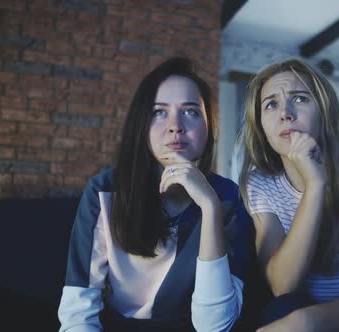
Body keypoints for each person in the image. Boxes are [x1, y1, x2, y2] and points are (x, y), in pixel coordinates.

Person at [58, 57, 253, 332]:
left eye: (191, 112)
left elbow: (215, 325)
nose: (176, 126)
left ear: (209, 129)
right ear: (142, 125)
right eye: (159, 112)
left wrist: (209, 207)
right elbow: (78, 314)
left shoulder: (228, 198)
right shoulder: (104, 191)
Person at [238, 59, 339, 332]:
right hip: (294, 308)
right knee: (280, 309)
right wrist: (314, 186)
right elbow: (282, 285)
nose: (285, 113)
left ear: (325, 112)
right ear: (262, 128)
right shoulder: (260, 183)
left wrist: (311, 321)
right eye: (271, 104)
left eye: (300, 99)